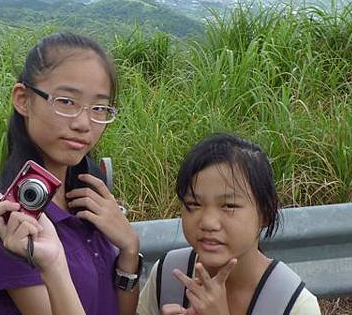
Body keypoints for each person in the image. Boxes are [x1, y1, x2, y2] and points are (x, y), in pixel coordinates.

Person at [0, 32, 142, 315]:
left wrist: (128, 249)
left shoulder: (88, 203)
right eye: (66, 101)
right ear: (23, 99)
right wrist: (54, 265)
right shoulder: (12, 222)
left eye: (99, 108)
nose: (83, 123)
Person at [137, 133, 321, 315]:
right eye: (194, 204)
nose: (208, 223)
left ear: (266, 212)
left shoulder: (294, 304)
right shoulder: (168, 275)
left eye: (229, 205)